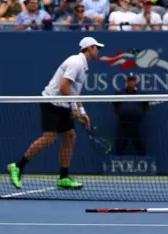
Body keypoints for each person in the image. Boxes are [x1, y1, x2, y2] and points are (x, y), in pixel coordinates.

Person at [8, 37, 104, 190]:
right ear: (89, 48)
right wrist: (75, 109)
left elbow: (73, 92)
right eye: (96, 47)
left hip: (63, 104)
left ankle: (63, 178)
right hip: (52, 102)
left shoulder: (83, 66)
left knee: (70, 136)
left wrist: (82, 111)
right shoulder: (75, 62)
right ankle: (18, 166)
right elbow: (64, 87)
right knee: (49, 138)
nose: (98, 51)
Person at [113, 74, 149, 156]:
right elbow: (115, 107)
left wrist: (137, 114)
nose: (131, 82)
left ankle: (143, 159)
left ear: (136, 82)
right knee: (121, 143)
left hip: (136, 124)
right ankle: (118, 161)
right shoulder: (120, 93)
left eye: (133, 80)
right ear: (126, 82)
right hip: (123, 123)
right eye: (129, 80)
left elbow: (146, 107)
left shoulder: (142, 94)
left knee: (138, 143)